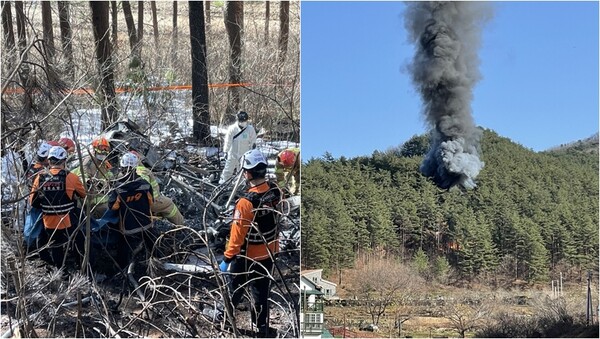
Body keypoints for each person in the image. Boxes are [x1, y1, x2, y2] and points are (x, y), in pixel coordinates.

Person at [219, 149, 282, 337]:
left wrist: (227, 258)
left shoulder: (245, 203)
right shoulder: (276, 192)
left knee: (235, 288)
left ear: (247, 173)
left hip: (247, 257)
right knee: (262, 293)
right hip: (270, 253)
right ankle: (261, 327)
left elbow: (237, 235)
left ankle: (225, 320)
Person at [30, 146, 86, 268]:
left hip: (48, 222)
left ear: (49, 161)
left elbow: (32, 202)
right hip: (68, 221)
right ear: (64, 161)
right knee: (80, 240)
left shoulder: (39, 178)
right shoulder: (71, 177)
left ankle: (61, 271)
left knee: (56, 246)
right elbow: (83, 194)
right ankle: (81, 266)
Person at [107, 152, 154, 271]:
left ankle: (121, 268)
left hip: (128, 227)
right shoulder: (145, 184)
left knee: (123, 245)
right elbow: (151, 202)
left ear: (122, 167)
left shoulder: (118, 188)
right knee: (151, 241)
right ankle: (158, 259)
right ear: (135, 167)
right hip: (146, 223)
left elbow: (113, 207)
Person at [130, 150, 185, 225]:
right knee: (169, 204)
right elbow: (143, 190)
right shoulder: (142, 172)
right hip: (152, 200)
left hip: (137, 202)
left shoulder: (127, 172)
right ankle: (180, 224)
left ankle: (160, 218)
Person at [72, 136, 115, 218]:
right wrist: (89, 182)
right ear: (95, 148)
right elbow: (83, 175)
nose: (104, 151)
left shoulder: (105, 163)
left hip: (103, 198)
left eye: (106, 149)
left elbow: (109, 175)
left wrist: (111, 181)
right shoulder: (88, 161)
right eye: (102, 148)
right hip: (92, 201)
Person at [219, 111, 257, 184]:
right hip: (233, 153)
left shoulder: (250, 129)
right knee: (228, 169)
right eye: (241, 120)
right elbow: (228, 141)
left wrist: (252, 151)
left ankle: (240, 184)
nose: (242, 122)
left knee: (242, 170)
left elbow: (253, 141)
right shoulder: (232, 129)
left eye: (244, 121)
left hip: (244, 153)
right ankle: (224, 183)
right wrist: (226, 151)